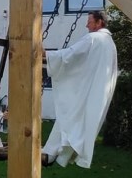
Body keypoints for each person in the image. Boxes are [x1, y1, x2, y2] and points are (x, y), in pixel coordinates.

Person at [42, 10, 118, 168]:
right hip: (97, 91)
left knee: (70, 117)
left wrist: (47, 55)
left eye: (89, 21)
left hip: (86, 89)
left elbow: (71, 55)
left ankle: (50, 153)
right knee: (81, 122)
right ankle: (58, 153)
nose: (86, 25)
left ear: (99, 23)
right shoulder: (110, 44)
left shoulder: (93, 38)